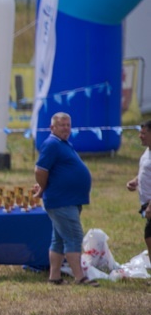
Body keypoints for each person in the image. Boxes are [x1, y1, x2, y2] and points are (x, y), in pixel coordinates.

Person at [32, 112, 97, 286]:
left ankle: (54, 277)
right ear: (52, 127)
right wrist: (43, 187)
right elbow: (40, 170)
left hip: (69, 200)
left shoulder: (63, 144)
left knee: (59, 240)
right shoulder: (52, 144)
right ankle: (79, 277)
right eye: (62, 125)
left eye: (68, 125)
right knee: (74, 237)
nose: (66, 128)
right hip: (61, 201)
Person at [126, 120, 151, 254]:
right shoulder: (147, 152)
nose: (140, 136)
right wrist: (136, 181)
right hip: (146, 203)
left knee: (149, 236)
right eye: (140, 133)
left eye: (144, 133)